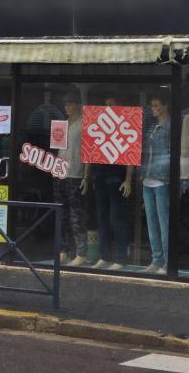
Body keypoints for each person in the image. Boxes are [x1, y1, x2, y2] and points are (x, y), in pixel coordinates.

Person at [89, 94, 134, 271]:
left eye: (112, 104)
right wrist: (90, 176)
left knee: (117, 219)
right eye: (106, 104)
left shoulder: (125, 124)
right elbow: (90, 149)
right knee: (102, 218)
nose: (108, 107)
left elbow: (132, 151)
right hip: (100, 177)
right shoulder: (100, 124)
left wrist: (128, 179)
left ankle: (121, 258)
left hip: (117, 178)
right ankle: (104, 256)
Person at [53, 88, 88, 267]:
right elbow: (58, 149)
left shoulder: (84, 125)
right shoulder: (62, 124)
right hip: (61, 173)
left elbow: (89, 152)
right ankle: (63, 251)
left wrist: (86, 176)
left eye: (71, 104)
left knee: (77, 215)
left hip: (76, 173)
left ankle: (81, 252)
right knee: (62, 214)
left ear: (78, 105)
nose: (68, 107)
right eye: (66, 104)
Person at [142, 91, 170, 274]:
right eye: (152, 106)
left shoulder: (170, 127)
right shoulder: (152, 127)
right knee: (152, 222)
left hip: (162, 179)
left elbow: (173, 152)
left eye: (157, 105)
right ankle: (157, 259)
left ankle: (168, 262)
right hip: (148, 178)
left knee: (164, 223)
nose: (153, 109)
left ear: (165, 106)